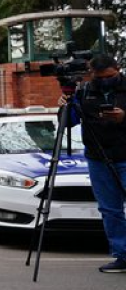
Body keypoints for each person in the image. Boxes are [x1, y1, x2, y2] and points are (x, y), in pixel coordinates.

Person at [66, 54, 126, 273]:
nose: (104, 80)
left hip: (124, 154)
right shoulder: (84, 91)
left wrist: (124, 117)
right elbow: (67, 123)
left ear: (117, 69)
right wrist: (67, 104)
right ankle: (122, 255)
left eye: (109, 76)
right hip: (98, 158)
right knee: (110, 209)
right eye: (99, 77)